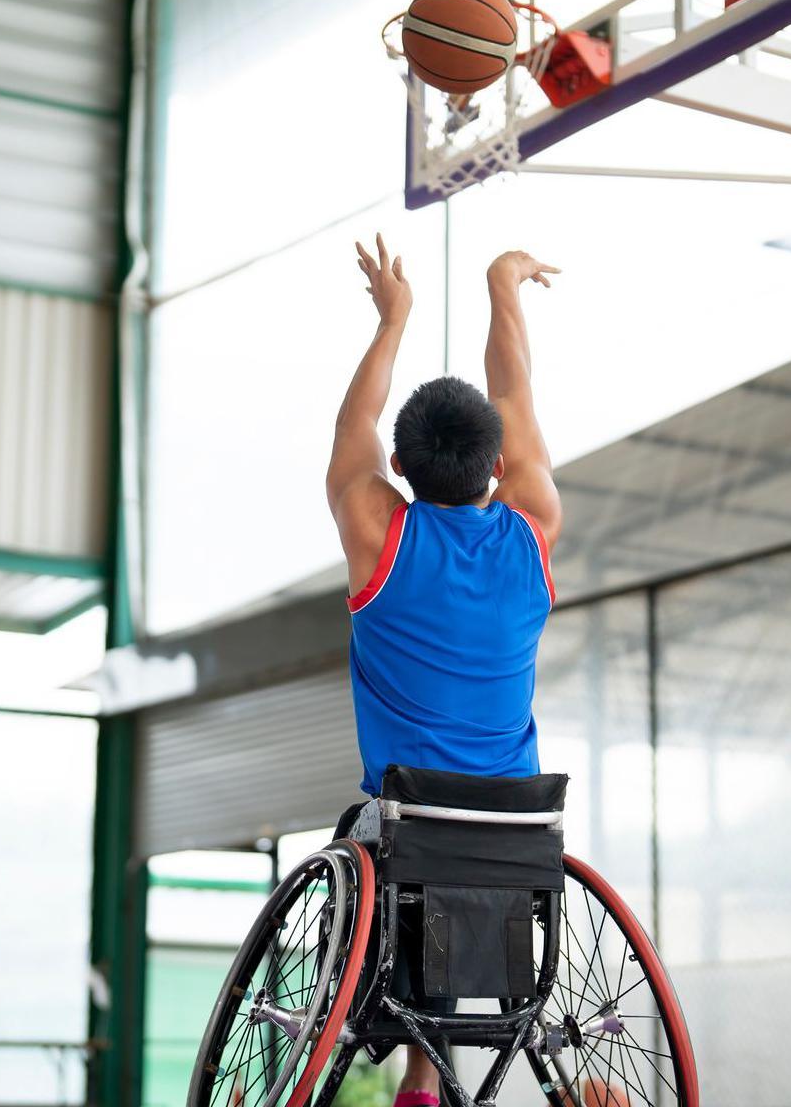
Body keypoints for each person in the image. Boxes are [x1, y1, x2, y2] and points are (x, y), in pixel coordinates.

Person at [325, 235, 564, 1107]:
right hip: (512, 839)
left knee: (379, 849)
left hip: (403, 836)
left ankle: (386, 1057)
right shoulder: (532, 525)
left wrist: (394, 319)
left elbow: (351, 432)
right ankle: (427, 1078)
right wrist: (505, 285)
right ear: (498, 468)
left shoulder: (377, 535)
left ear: (399, 468)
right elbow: (515, 390)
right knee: (456, 878)